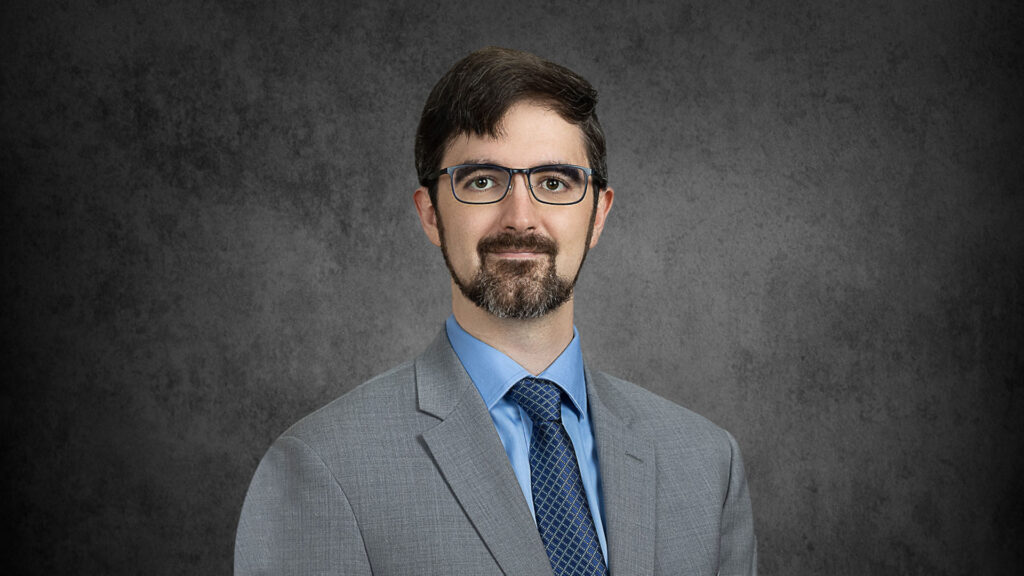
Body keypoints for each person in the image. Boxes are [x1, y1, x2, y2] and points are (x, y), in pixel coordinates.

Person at [235, 46, 757, 576]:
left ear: (597, 215)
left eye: (555, 182)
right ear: (431, 214)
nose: (521, 218)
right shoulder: (323, 468)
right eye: (482, 180)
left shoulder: (707, 462)